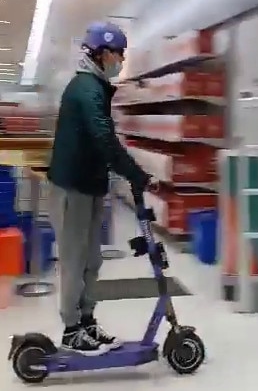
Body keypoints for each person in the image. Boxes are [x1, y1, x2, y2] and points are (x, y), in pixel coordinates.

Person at [48, 21, 154, 356]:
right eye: (119, 54)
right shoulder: (85, 89)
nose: (120, 60)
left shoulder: (95, 87)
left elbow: (102, 143)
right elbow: (103, 138)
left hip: (91, 186)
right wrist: (133, 173)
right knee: (75, 259)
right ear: (104, 52)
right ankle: (70, 331)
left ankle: (87, 321)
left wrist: (120, 175)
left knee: (92, 259)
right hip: (73, 188)